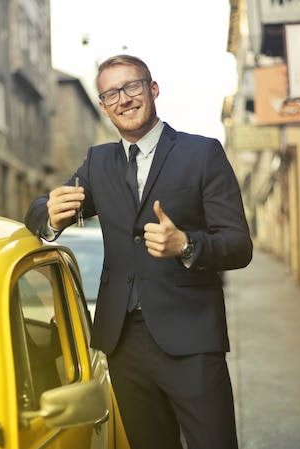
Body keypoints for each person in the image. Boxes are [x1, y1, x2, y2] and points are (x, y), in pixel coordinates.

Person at [24, 54, 253, 449]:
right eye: (111, 94)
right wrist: (51, 213)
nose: (124, 100)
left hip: (191, 338)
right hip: (123, 343)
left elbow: (238, 244)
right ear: (103, 106)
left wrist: (186, 244)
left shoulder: (202, 154)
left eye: (132, 87)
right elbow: (39, 210)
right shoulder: (99, 162)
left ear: (152, 89)